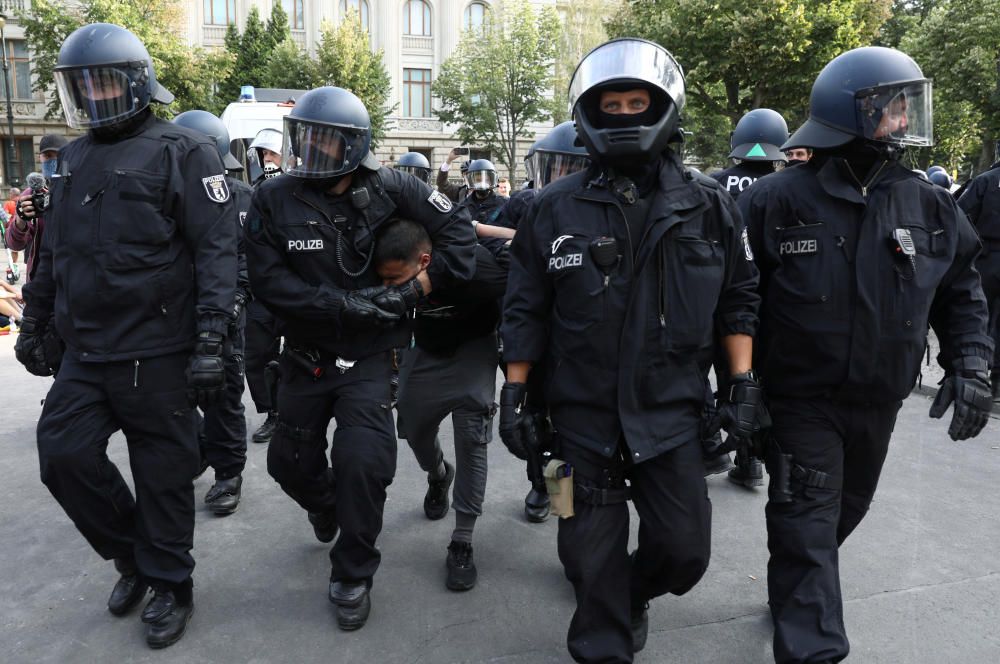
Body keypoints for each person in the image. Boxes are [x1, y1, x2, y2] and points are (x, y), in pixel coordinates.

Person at [501, 38, 761, 663]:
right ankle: (604, 628)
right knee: (581, 558)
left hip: (671, 417)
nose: (622, 114)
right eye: (609, 103)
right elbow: (524, 309)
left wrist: (742, 386)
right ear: (588, 114)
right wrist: (513, 394)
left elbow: (739, 298)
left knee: (686, 553)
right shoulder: (552, 208)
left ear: (663, 107)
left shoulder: (709, 207)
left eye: (636, 101)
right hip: (573, 423)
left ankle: (630, 594)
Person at [741, 46, 992, 664]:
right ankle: (812, 642)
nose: (904, 121)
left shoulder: (929, 203)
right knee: (808, 520)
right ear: (850, 112)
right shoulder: (775, 201)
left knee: (839, 516)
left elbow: (962, 290)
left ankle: (796, 588)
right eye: (893, 108)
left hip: (880, 401)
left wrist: (971, 364)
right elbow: (733, 301)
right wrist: (732, 388)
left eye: (908, 107)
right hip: (801, 402)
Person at [17, 23, 237, 648]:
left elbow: (217, 252)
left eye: (104, 81)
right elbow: (54, 253)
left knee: (163, 472)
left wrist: (213, 339)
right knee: (62, 454)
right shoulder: (74, 158)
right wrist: (35, 321)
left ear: (136, 82)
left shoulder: (184, 151)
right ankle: (134, 557)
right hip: (85, 351)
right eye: (81, 84)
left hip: (158, 350)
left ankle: (171, 582)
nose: (93, 95)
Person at [243, 86, 476, 631]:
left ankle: (352, 570)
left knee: (364, 462)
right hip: (305, 354)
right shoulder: (274, 199)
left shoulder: (395, 186)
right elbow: (269, 282)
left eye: (326, 140)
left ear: (354, 146)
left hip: (373, 357)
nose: (312, 151)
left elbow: (460, 240)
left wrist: (413, 291)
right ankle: (324, 506)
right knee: (287, 463)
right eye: (305, 138)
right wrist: (342, 305)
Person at [375, 219, 506, 591]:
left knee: (472, 438)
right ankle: (438, 475)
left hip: (473, 350)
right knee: (413, 430)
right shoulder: (393, 263)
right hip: (425, 350)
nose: (390, 289)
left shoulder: (480, 267)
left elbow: (532, 246)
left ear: (425, 262)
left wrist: (479, 229)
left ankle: (462, 539)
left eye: (397, 279)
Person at [494, 120, 592, 522]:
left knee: (576, 433)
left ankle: (570, 507)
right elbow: (489, 235)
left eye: (567, 168)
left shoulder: (603, 213)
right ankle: (545, 487)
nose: (557, 177)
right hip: (537, 337)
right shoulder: (529, 204)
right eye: (553, 167)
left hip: (584, 345)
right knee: (538, 426)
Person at [172, 110, 252, 516]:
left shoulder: (241, 198)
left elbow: (247, 259)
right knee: (169, 395)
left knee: (221, 397)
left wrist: (232, 304)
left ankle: (228, 473)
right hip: (169, 314)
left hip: (221, 315)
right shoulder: (165, 191)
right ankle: (200, 447)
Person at [708, 108, 789, 487]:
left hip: (717, 297)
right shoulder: (788, 186)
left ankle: (708, 444)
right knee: (750, 380)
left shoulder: (715, 184)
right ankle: (751, 457)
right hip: (768, 301)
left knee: (710, 375)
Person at [244, 126, 285, 444]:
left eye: (272, 153)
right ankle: (273, 412)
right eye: (263, 155)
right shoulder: (253, 192)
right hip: (263, 289)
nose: (267, 160)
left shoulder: (303, 188)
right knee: (256, 355)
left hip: (299, 286)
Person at [957, 159, 1000, 397]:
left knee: (977, 316)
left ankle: (976, 373)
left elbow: (960, 216)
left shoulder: (985, 180)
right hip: (986, 255)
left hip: (986, 258)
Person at [8, 134, 68, 282]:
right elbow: (14, 244)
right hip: (41, 277)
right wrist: (20, 220)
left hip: (73, 277)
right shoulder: (31, 195)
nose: (52, 160)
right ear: (40, 158)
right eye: (47, 156)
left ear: (67, 157)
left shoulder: (80, 190)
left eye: (58, 155)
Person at [3, 187, 21, 283]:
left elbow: (5, 216)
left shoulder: (8, 203)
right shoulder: (23, 200)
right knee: (15, 250)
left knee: (11, 249)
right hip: (22, 231)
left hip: (11, 230)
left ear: (12, 194)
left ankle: (12, 265)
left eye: (10, 193)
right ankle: (13, 264)